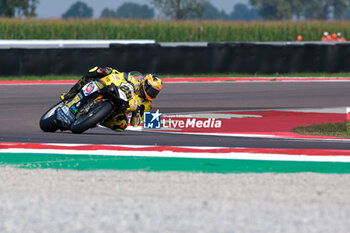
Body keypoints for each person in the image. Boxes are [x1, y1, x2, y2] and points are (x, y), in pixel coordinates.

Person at [61, 66, 163, 132]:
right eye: (151, 90)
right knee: (95, 71)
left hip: (120, 108)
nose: (152, 94)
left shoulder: (147, 105)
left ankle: (96, 120)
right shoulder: (136, 79)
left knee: (122, 126)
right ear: (145, 83)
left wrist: (137, 113)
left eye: (155, 92)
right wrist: (109, 71)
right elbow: (123, 75)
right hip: (114, 90)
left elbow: (135, 124)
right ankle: (70, 94)